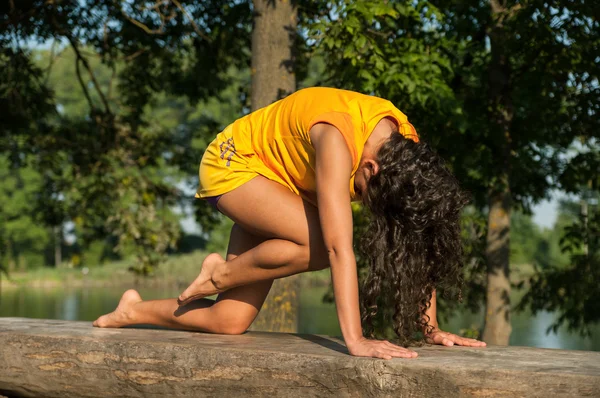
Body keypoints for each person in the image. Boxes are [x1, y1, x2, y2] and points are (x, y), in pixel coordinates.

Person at [94, 87, 486, 359]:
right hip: (237, 165)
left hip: (284, 183)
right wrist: (356, 340)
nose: (366, 202)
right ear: (369, 167)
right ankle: (218, 275)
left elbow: (415, 235)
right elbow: (337, 249)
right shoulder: (337, 140)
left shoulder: (403, 149)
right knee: (319, 244)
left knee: (229, 321)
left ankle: (132, 311)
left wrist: (429, 327)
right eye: (368, 193)